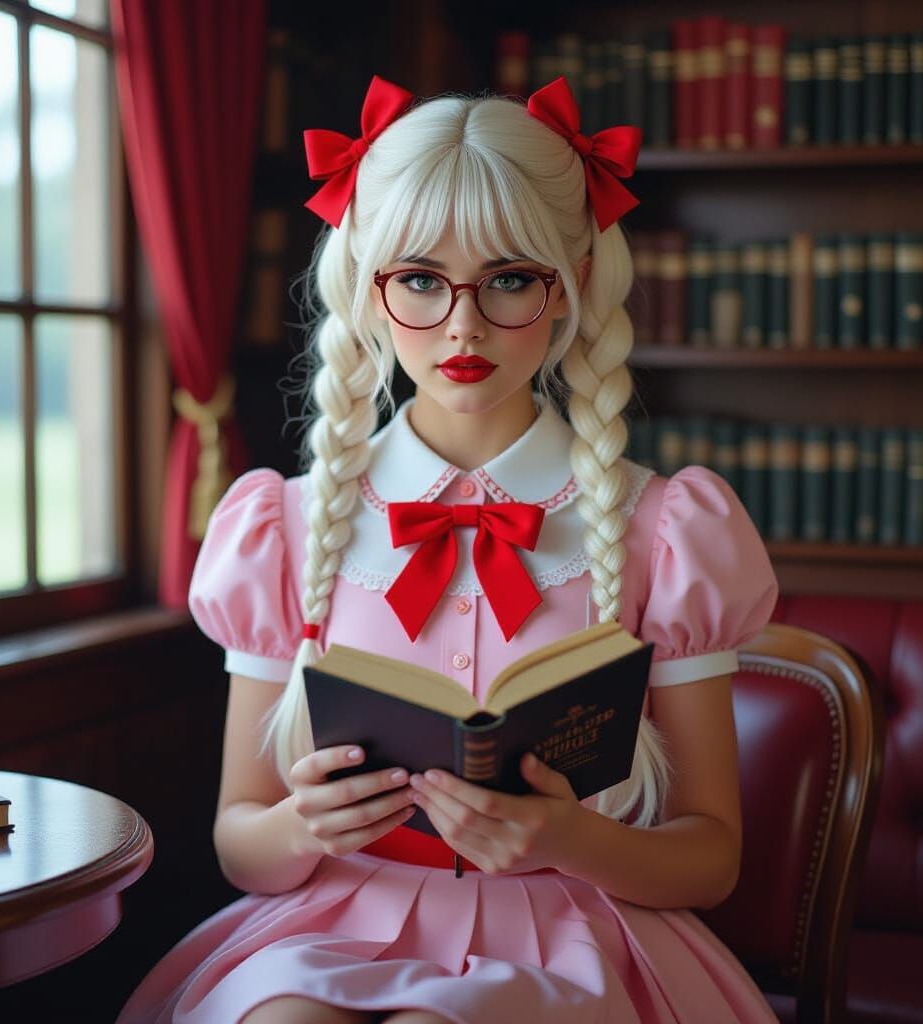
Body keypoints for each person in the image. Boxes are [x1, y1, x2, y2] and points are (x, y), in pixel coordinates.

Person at [115, 73, 781, 1024]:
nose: (463, 324)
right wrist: (305, 823)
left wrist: (564, 839)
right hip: (333, 923)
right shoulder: (282, 526)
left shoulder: (668, 531)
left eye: (509, 278)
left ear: (575, 282)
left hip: (571, 928)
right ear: (369, 289)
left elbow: (711, 856)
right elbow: (238, 839)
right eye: (421, 279)